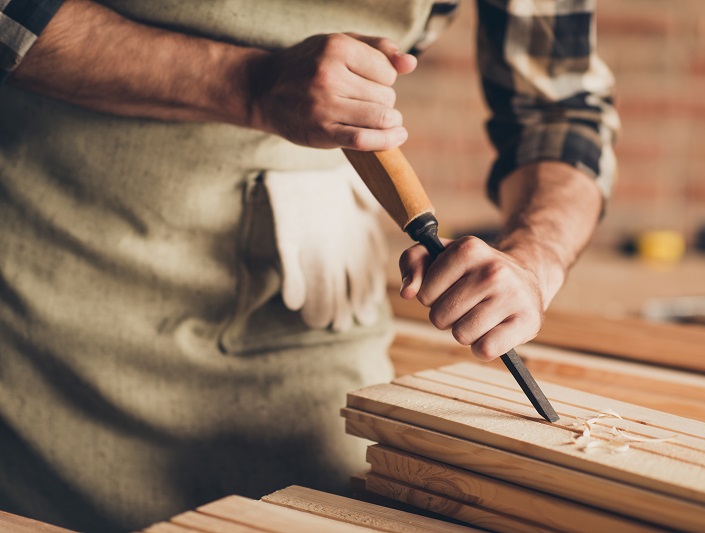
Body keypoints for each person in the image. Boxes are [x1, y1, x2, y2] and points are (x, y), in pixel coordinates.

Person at [0, 0, 618, 531]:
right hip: (54, 280)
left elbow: (562, 111)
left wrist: (533, 261)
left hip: (309, 286)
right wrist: (249, 84)